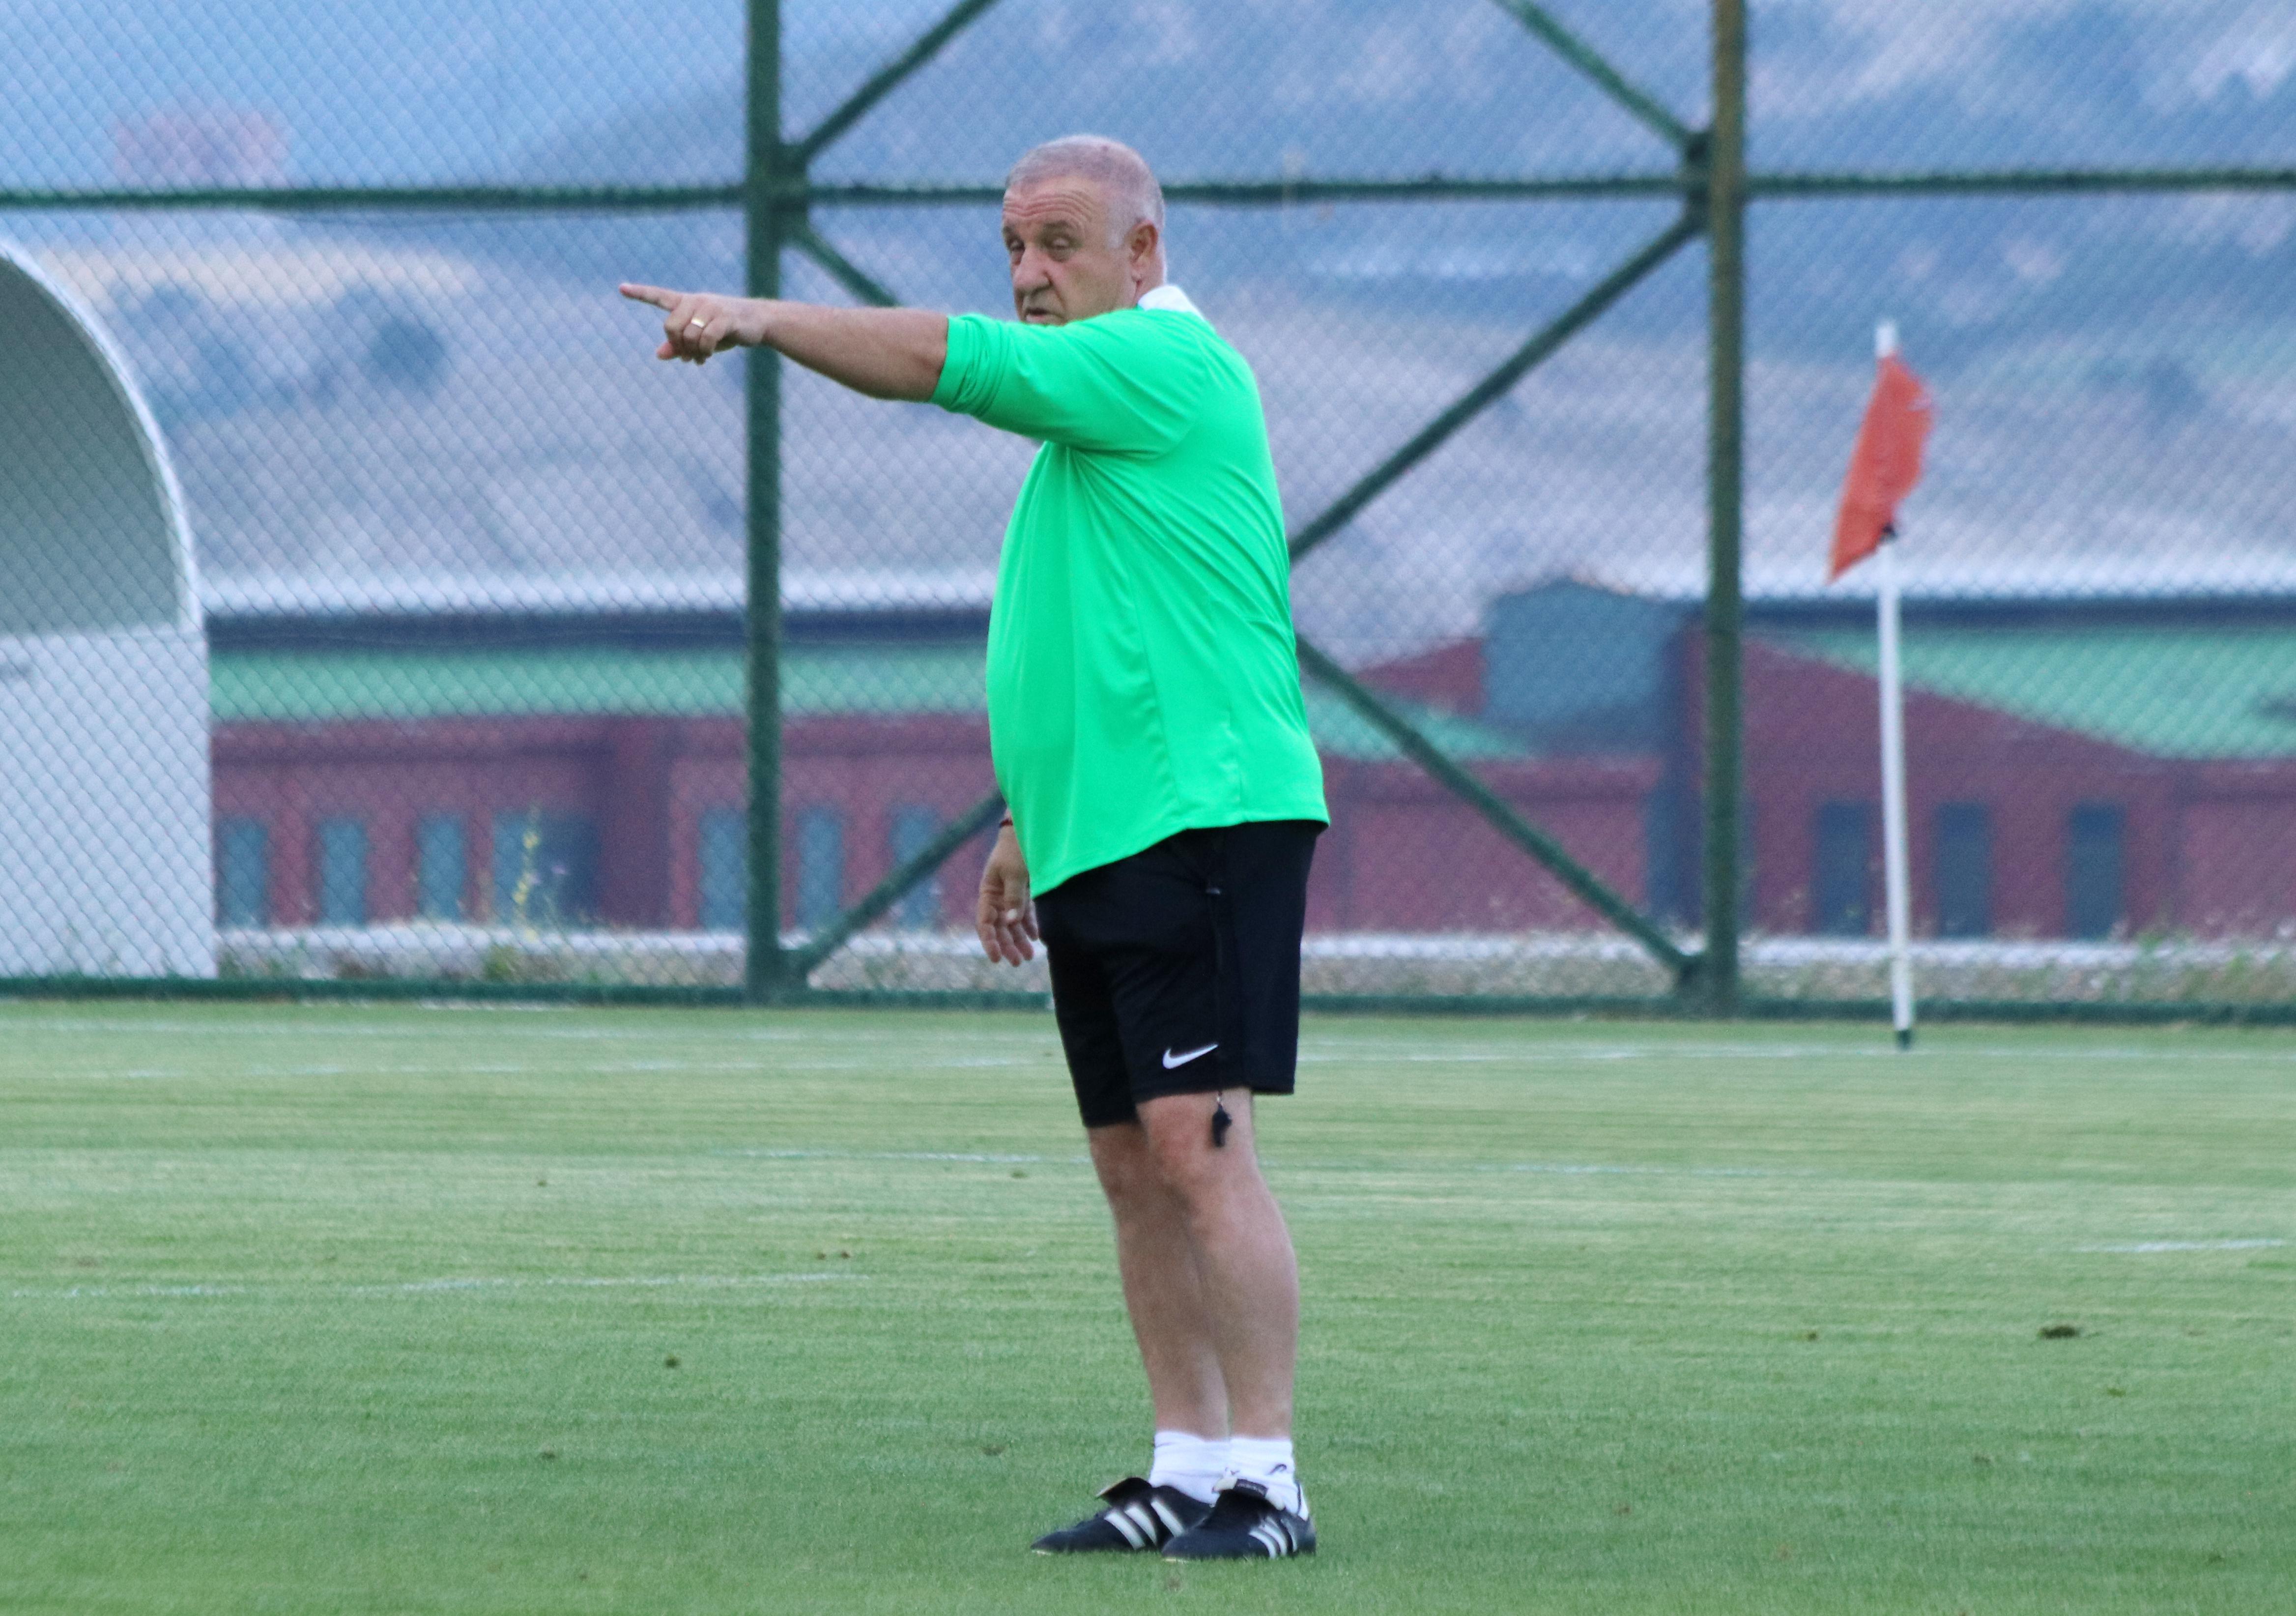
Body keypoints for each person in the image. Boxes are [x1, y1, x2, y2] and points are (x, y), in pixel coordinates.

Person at [621, 135, 1325, 1562]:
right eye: (1013, 246)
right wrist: (1021, 824)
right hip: (1100, 832)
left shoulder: (1166, 366)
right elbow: (1092, 638)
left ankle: (1270, 1482)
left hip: (1205, 817)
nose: (1028, 274)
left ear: (1143, 252)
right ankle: (1186, 1467)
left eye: (1060, 243)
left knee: (1200, 1149)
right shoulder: (1092, 427)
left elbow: (948, 362)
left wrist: (758, 318)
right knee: (1131, 1164)